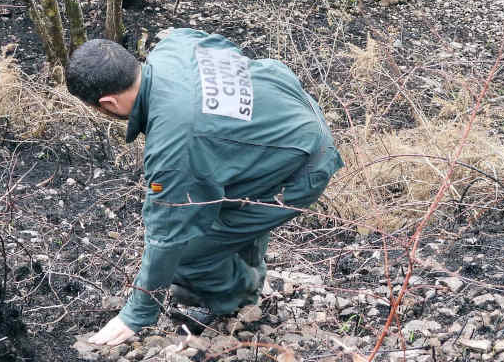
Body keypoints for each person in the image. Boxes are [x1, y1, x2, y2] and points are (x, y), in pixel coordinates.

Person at [65, 29, 343, 346]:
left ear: (108, 103)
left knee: (187, 255)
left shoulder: (177, 146)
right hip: (287, 115)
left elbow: (169, 237)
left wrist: (136, 313)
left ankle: (242, 300)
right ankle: (247, 273)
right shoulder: (175, 44)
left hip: (302, 165)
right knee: (219, 202)